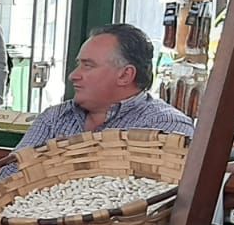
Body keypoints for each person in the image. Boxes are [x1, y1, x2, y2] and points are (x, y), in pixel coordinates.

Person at [15, 24, 195, 152]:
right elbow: (9, 179)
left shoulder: (165, 126)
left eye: (88, 66)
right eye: (79, 65)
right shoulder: (54, 118)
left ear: (125, 75)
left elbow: (160, 199)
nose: (73, 75)